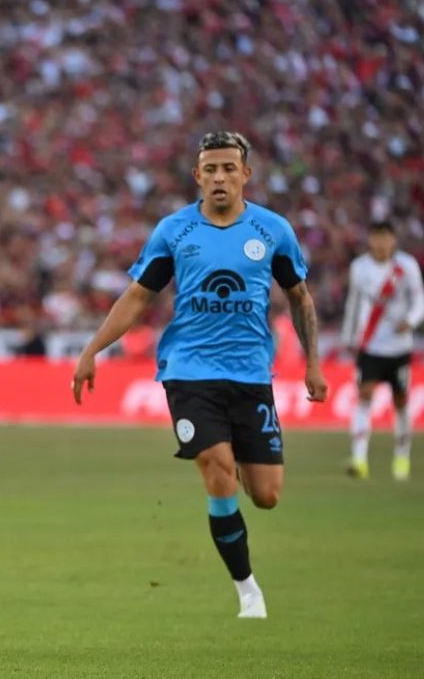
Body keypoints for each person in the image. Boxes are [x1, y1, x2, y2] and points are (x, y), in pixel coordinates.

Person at [72, 131, 328, 620]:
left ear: (245, 174)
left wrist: (313, 361)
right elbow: (138, 297)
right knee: (216, 465)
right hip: (189, 372)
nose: (219, 177)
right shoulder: (175, 231)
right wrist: (93, 349)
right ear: (197, 176)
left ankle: (241, 469)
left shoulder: (273, 231)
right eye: (210, 169)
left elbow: (300, 298)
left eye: (229, 168)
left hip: (251, 374)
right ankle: (247, 590)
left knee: (267, 495)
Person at [340, 221, 424, 481]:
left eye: (384, 237)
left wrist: (410, 320)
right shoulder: (359, 267)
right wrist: (348, 336)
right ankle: (359, 459)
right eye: (375, 237)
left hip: (399, 347)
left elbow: (419, 299)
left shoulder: (406, 266)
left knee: (401, 400)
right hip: (370, 345)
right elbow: (353, 302)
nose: (380, 243)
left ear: (393, 240)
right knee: (364, 394)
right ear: (370, 240)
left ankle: (401, 456)